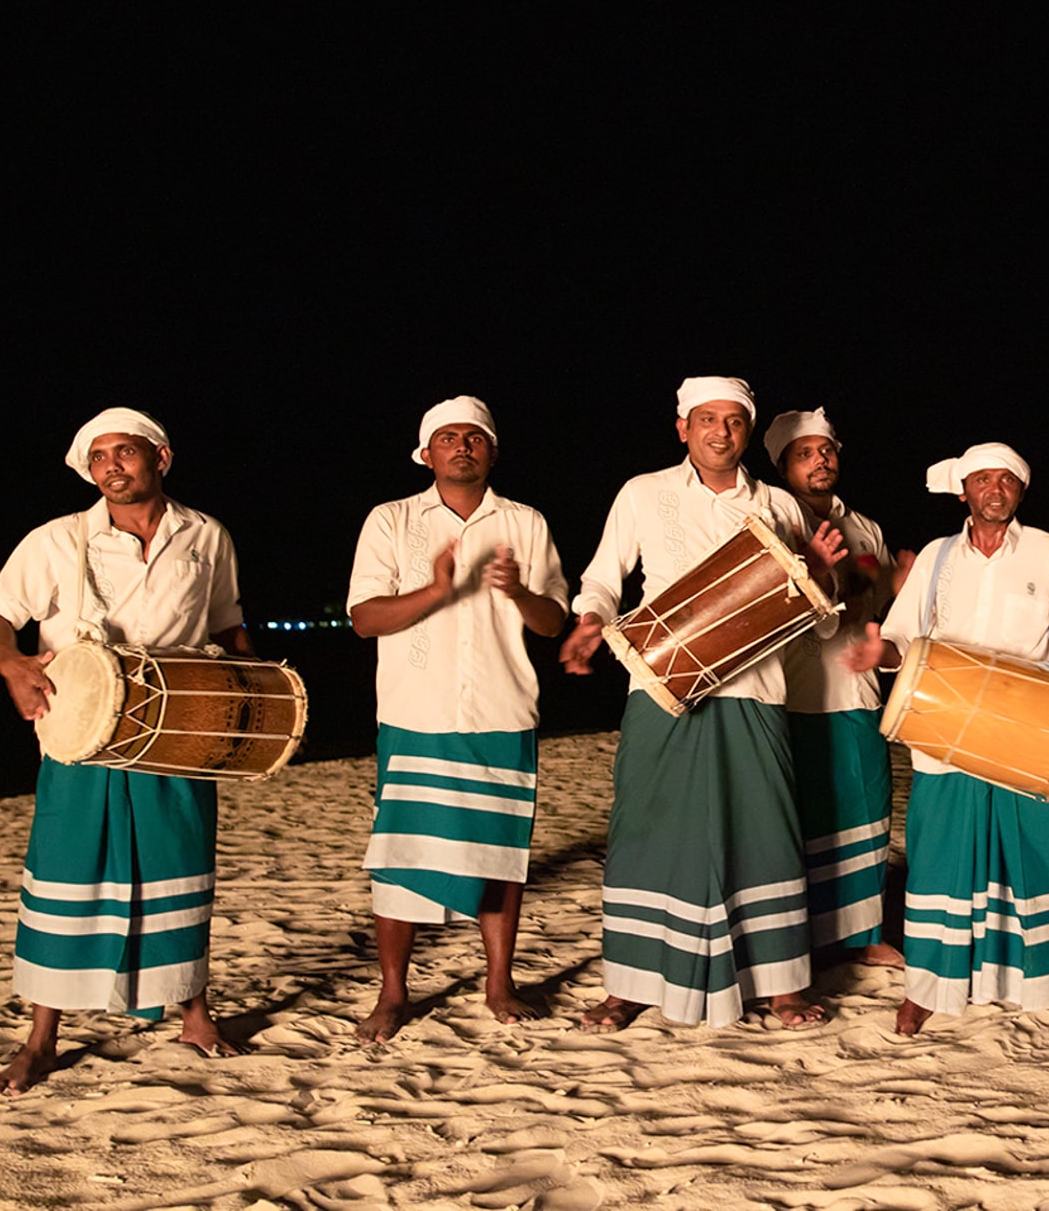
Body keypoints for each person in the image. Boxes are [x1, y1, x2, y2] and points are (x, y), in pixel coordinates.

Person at [843, 442, 1049, 1038]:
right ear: (964, 490)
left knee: (1041, 857)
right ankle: (928, 988)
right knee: (940, 861)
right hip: (947, 731)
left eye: (1006, 480)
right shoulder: (940, 557)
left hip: (1031, 732)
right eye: (982, 480)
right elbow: (900, 638)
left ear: (1021, 491)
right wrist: (878, 655)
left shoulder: (1048, 553)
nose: (994, 489)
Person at [0, 408, 254, 1094]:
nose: (110, 467)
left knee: (178, 868)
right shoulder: (57, 539)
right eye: (97, 458)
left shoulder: (206, 535)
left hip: (179, 725)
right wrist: (13, 666)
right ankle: (41, 1038)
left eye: (122, 452)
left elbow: (225, 623)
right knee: (70, 871)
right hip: (82, 726)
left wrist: (256, 704)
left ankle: (193, 1011)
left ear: (159, 455)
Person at [559, 377, 844, 1031]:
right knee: (646, 828)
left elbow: (820, 621)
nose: (722, 431)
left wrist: (823, 574)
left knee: (764, 830)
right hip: (660, 685)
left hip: (756, 690)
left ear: (748, 430)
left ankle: (781, 985)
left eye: (734, 420)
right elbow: (604, 576)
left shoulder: (779, 503)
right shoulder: (643, 492)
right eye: (707, 419)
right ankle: (629, 985)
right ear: (683, 427)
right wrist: (588, 620)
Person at [346, 396, 570, 1042]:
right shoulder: (391, 520)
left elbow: (552, 620)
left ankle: (499, 983)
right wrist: (437, 590)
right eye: (448, 437)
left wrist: (519, 591)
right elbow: (364, 618)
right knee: (402, 855)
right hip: (417, 712)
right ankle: (393, 993)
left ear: (492, 451)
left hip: (502, 707)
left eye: (475, 437)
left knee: (501, 854)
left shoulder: (525, 522)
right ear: (426, 452)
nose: (462, 446)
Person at [764, 408, 911, 969]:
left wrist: (893, 585)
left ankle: (865, 934)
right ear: (783, 465)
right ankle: (796, 937)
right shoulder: (771, 518)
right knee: (800, 820)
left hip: (855, 693)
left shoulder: (866, 526)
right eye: (804, 453)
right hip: (792, 693)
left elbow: (874, 613)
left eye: (826, 450)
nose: (819, 460)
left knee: (866, 815)